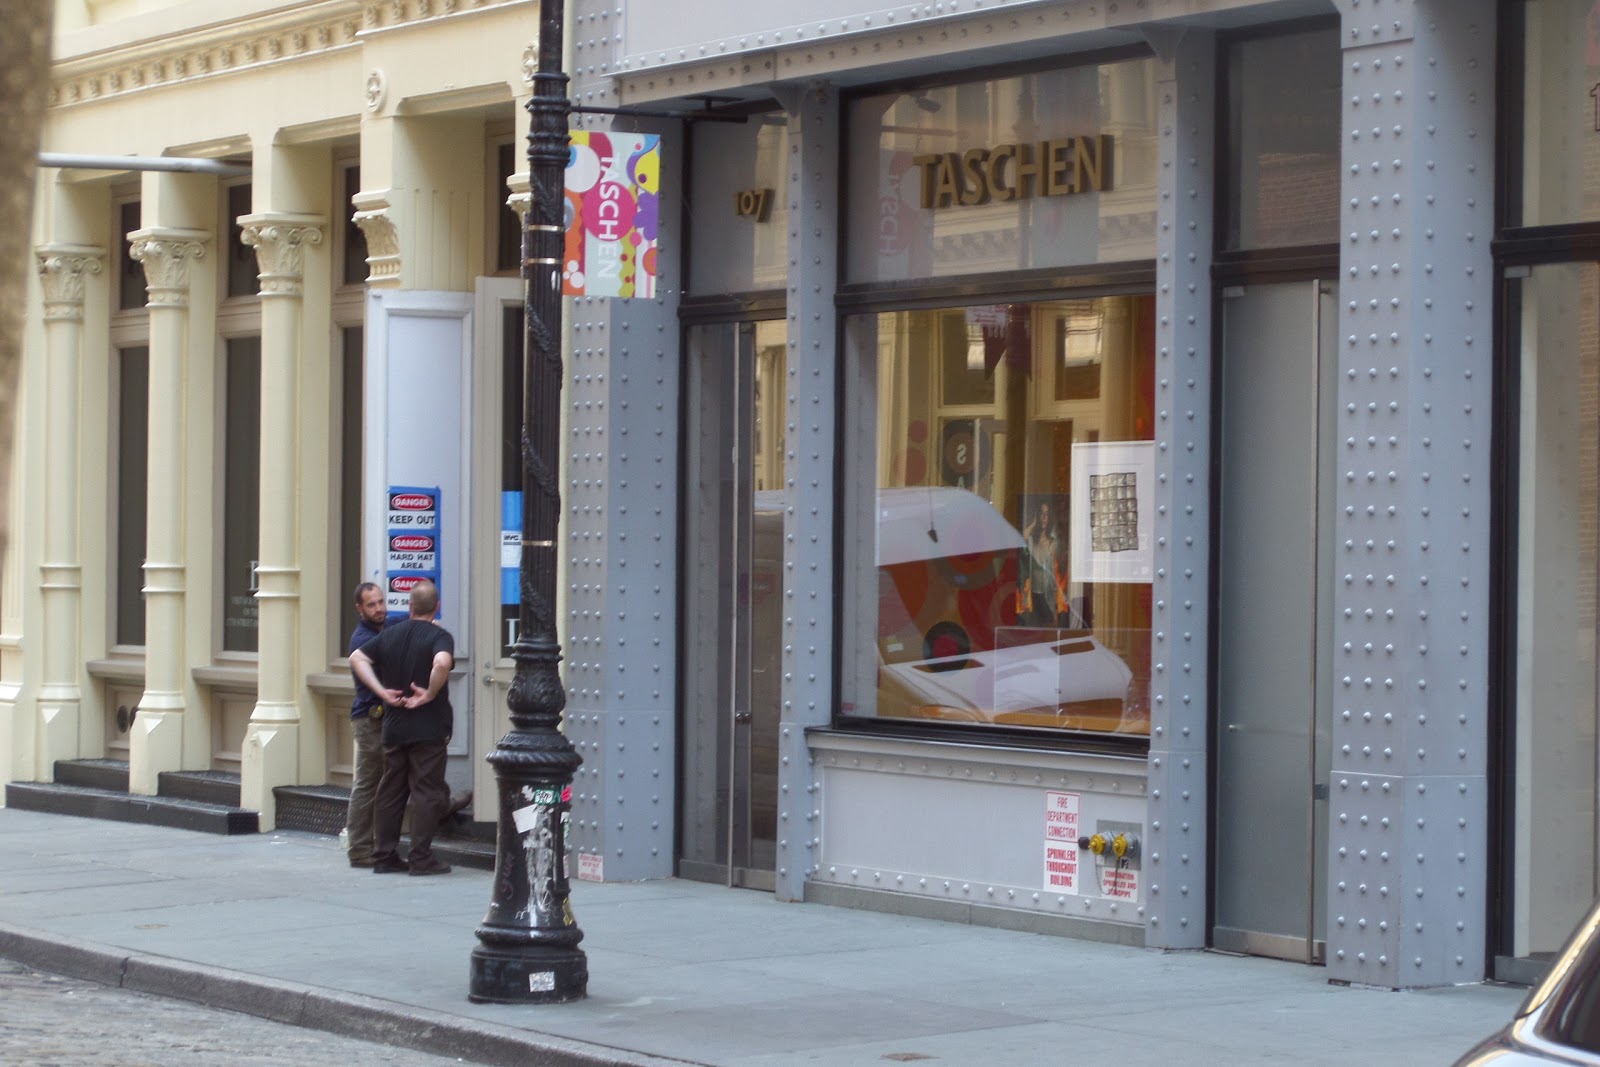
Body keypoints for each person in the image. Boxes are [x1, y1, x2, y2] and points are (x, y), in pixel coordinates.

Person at [349, 579, 456, 876]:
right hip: (428, 726)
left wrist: (382, 691)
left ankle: (384, 855)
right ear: (436, 607)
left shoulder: (390, 635)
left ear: (409, 607)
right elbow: (442, 664)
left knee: (390, 790)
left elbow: (357, 658)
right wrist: (430, 693)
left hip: (394, 724)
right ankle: (421, 857)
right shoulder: (439, 636)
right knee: (426, 791)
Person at [342, 582, 388, 868]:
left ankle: (443, 808)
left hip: (383, 716)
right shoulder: (362, 639)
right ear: (360, 609)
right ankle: (359, 849)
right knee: (368, 783)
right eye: (371, 604)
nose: (379, 608)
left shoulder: (387, 626)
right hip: (369, 718)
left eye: (381, 602)